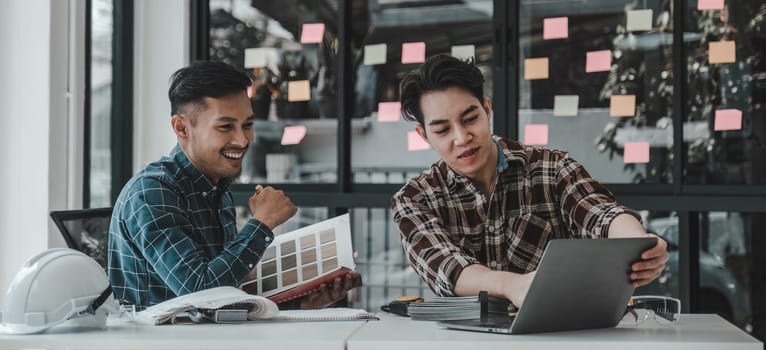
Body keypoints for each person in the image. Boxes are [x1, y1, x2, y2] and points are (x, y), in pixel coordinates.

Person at [391, 55, 668, 308]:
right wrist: (513, 285)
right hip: (464, 340)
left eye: (470, 118)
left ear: (487, 110)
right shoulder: (414, 199)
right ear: (424, 135)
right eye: (442, 129)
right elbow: (446, 267)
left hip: (557, 332)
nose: (462, 138)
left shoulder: (551, 167)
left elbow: (600, 212)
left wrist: (639, 245)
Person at [108, 61, 361, 310]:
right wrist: (262, 224)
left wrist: (300, 302)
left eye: (248, 125)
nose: (242, 140)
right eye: (225, 126)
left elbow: (228, 291)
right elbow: (202, 294)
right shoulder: (152, 192)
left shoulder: (217, 188)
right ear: (182, 127)